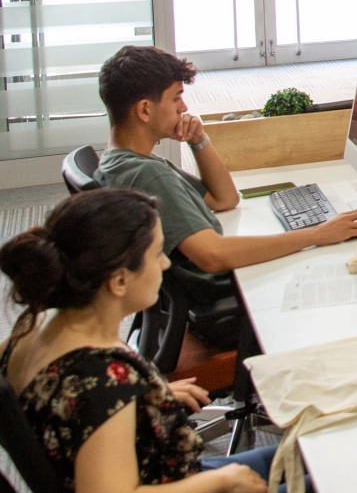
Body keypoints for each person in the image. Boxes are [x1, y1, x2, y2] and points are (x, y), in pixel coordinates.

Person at [1, 187, 269, 492]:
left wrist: (140, 400)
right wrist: (222, 479)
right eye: (157, 254)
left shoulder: (32, 326)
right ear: (119, 281)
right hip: (172, 482)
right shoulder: (103, 378)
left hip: (152, 469)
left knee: (304, 457)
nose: (165, 264)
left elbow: (69, 408)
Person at [92, 46, 357, 299]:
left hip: (208, 289)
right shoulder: (149, 174)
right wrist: (316, 234)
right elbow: (213, 256)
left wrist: (199, 140)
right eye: (176, 97)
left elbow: (224, 199)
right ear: (144, 110)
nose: (184, 107)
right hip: (224, 295)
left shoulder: (123, 161)